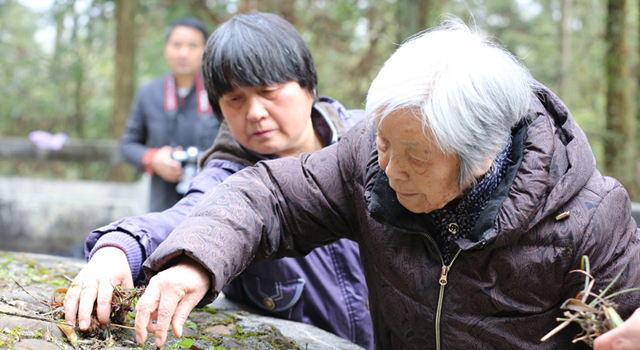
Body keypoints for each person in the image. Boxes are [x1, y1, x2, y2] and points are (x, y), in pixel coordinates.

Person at [131, 18, 640, 349]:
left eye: (415, 156)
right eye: (383, 144)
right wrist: (197, 260)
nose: (390, 172)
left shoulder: (590, 218)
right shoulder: (366, 161)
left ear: (482, 155)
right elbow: (270, 196)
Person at [64, 12, 373, 349]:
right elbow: (191, 217)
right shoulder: (229, 176)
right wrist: (120, 248)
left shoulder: (375, 138)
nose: (254, 112)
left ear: (308, 85)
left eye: (269, 91)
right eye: (235, 100)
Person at [120, 17, 220, 212]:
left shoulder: (220, 92)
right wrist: (153, 159)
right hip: (162, 205)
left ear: (205, 50)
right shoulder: (149, 93)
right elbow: (127, 145)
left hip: (211, 203)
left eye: (192, 45)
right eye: (177, 45)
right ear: (166, 48)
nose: (184, 53)